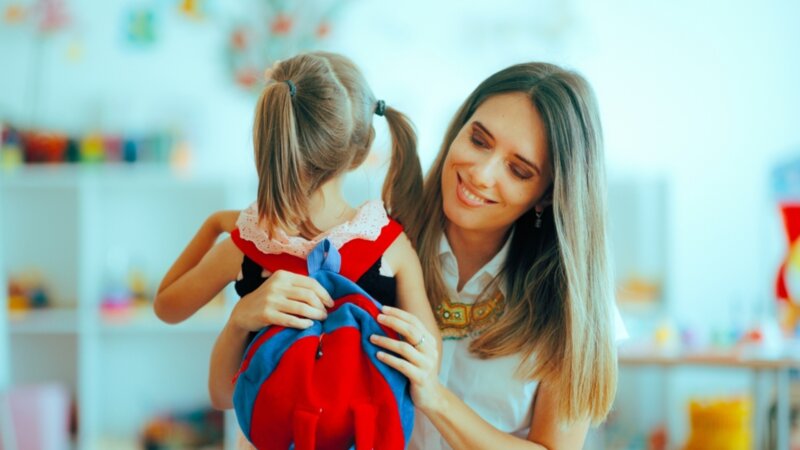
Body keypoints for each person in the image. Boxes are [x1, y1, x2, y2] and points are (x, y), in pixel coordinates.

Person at [199, 60, 625, 449]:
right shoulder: (376, 243)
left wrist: (434, 397)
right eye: (478, 140)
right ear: (459, 128)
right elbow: (257, 388)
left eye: (518, 170)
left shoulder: (576, 304)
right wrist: (242, 317)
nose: (481, 174)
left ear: (548, 194)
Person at [152, 51, 441, 416]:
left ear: (271, 139)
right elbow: (430, 368)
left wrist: (213, 227)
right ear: (361, 149)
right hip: (368, 436)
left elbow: (170, 313)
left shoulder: (246, 248)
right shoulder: (391, 248)